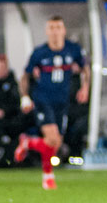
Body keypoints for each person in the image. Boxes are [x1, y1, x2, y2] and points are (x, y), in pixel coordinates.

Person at [14, 16, 90, 190]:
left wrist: (85, 87)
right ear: (47, 31)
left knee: (55, 144)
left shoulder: (73, 50)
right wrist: (25, 97)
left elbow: (86, 68)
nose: (55, 31)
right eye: (51, 28)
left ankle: (28, 143)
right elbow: (25, 76)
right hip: (43, 100)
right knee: (52, 138)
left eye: (58, 27)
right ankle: (48, 177)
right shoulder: (40, 53)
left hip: (62, 103)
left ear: (64, 30)